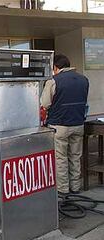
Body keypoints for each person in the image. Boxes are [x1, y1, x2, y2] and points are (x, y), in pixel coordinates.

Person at [40, 53, 89, 195]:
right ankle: (75, 188)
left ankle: (63, 190)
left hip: (59, 126)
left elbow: (45, 104)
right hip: (79, 124)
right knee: (75, 156)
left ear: (55, 67)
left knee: (61, 159)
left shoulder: (53, 81)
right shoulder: (84, 80)